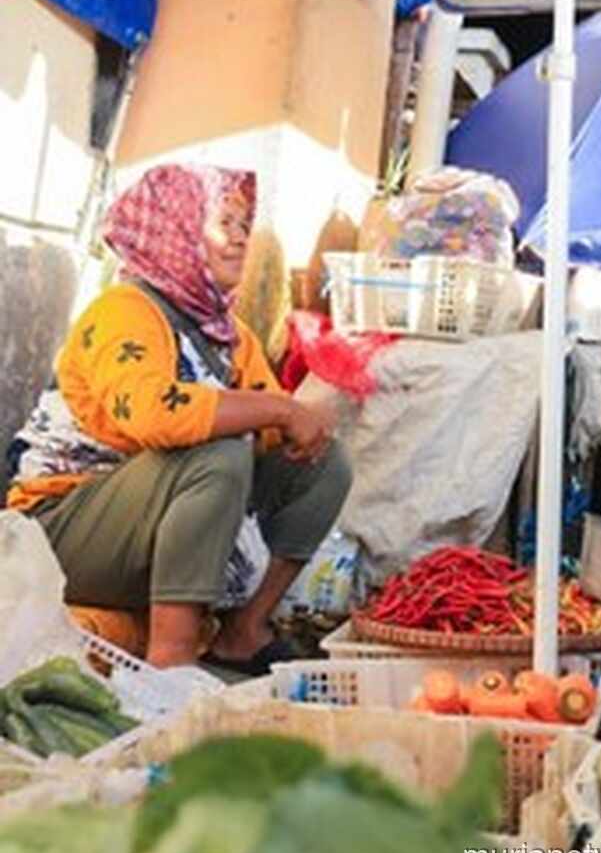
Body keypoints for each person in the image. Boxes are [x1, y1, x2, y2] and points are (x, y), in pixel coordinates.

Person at [4, 165, 352, 674]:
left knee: (324, 464)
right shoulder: (123, 311)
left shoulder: (227, 334)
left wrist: (306, 419)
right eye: (223, 223)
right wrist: (279, 409)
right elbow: (152, 415)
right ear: (176, 231)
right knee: (215, 446)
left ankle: (242, 632)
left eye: (243, 225)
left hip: (151, 529)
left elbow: (275, 433)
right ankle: (172, 657)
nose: (239, 239)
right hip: (60, 535)